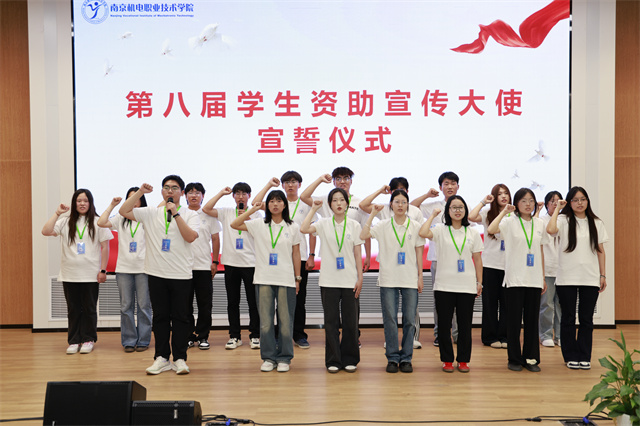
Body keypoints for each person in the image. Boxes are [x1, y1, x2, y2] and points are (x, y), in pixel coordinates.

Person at [120, 175, 200, 375]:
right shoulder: (151, 213)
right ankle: (161, 358)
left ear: (182, 192)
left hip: (181, 274)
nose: (170, 191)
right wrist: (140, 192)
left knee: (181, 318)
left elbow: (190, 237)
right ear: (162, 191)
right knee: (160, 318)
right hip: (156, 274)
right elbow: (124, 211)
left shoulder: (190, 214)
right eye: (166, 187)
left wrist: (176, 214)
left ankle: (180, 358)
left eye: (174, 187)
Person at [231, 190, 301, 373]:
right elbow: (234, 224)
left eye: (279, 201)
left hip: (286, 279)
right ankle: (269, 357)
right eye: (271, 201)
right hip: (263, 278)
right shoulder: (258, 224)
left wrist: (297, 278)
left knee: (285, 321)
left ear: (284, 205)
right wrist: (253, 209)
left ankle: (284, 357)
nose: (275, 204)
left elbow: (296, 253)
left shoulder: (293, 226)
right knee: (266, 322)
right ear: (267, 205)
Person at [202, 180, 274, 350]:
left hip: (251, 263)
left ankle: (255, 335)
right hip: (230, 263)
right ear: (234, 196)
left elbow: (263, 235)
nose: (241, 197)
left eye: (244, 193)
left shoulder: (256, 214)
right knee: (232, 302)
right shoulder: (227, 212)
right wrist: (221, 193)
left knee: (253, 302)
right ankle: (234, 336)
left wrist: (248, 217)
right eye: (238, 193)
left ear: (249, 196)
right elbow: (206, 209)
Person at [42, 189, 113, 355]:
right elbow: (45, 231)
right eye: (79, 201)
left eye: (85, 201)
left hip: (91, 274)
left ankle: (88, 339)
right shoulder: (65, 222)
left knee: (89, 309)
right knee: (73, 309)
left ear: (90, 203)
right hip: (69, 274)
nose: (82, 204)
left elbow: (105, 247)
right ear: (74, 203)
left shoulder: (98, 222)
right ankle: (74, 340)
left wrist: (103, 270)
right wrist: (57, 213)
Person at [361, 190, 425, 373]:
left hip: (410, 278)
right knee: (390, 320)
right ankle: (392, 357)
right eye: (396, 202)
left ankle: (406, 358)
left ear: (408, 205)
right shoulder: (383, 225)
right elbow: (363, 235)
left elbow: (419, 252)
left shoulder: (415, 226)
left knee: (409, 320)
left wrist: (420, 276)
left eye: (403, 202)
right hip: (388, 278)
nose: (400, 205)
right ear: (391, 204)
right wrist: (372, 214)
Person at [301, 188, 364, 373]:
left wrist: (360, 277)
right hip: (328, 281)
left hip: (350, 280)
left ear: (347, 203)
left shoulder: (354, 225)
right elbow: (304, 229)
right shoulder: (323, 223)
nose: (338, 203)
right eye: (334, 200)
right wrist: (314, 209)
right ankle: (333, 360)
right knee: (331, 323)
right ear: (329, 204)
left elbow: (357, 254)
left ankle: (350, 358)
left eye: (342, 200)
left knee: (351, 323)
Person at [419, 195, 483, 373]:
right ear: (448, 211)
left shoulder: (472, 232)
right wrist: (433, 215)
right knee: (444, 325)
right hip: (444, 286)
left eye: (461, 207)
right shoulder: (440, 229)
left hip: (466, 286)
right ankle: (447, 360)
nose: (457, 210)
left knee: (465, 326)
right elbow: (423, 233)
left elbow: (478, 259)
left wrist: (479, 282)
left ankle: (463, 360)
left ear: (465, 210)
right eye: (453, 207)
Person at [546, 187, 608, 370]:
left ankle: (584, 355)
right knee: (568, 318)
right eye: (575, 200)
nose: (579, 203)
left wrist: (602, 274)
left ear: (587, 201)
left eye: (583, 199)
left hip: (590, 277)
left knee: (586, 319)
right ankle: (570, 355)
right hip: (567, 277)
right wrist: (558, 208)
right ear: (569, 202)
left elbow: (600, 251)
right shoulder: (563, 220)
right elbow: (550, 229)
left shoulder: (596, 222)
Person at [488, 188, 548, 372]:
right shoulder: (509, 222)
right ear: (516, 203)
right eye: (523, 201)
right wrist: (504, 212)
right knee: (513, 322)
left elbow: (540, 250)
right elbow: (491, 229)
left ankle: (531, 358)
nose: (528, 204)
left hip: (534, 279)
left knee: (532, 321)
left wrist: (543, 277)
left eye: (531, 200)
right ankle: (514, 358)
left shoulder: (539, 223)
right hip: (514, 279)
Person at [97, 187, 151, 353]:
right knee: (126, 306)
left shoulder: (147, 216)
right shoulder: (121, 218)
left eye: (137, 198)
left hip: (144, 269)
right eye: (130, 198)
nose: (133, 201)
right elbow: (101, 222)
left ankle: (143, 340)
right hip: (124, 269)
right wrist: (112, 205)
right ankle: (129, 340)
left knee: (144, 306)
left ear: (141, 201)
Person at [411, 171, 461, 346]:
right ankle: (440, 333)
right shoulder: (435, 206)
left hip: (459, 261)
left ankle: (457, 334)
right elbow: (412, 207)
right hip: (438, 259)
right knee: (439, 299)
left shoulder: (463, 206)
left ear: (458, 186)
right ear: (441, 187)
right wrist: (427, 195)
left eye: (453, 183)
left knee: (459, 298)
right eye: (446, 183)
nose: (450, 186)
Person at [300, 167, 370, 271]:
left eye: (346, 178)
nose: (342, 181)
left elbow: (365, 230)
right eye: (338, 178)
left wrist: (368, 256)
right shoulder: (326, 200)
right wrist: (320, 179)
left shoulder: (359, 203)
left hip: (351, 254)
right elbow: (304, 197)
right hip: (328, 253)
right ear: (333, 182)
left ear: (351, 181)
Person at [468, 184, 511, 349]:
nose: (503, 196)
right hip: (490, 264)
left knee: (507, 304)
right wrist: (483, 201)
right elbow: (471, 217)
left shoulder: (514, 214)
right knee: (490, 303)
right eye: (499, 194)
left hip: (509, 266)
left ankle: (505, 336)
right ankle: (490, 337)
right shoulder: (488, 213)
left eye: (506, 193)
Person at [280, 171, 317, 349]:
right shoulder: (278, 202)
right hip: (281, 258)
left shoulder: (306, 204)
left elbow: (312, 232)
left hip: (301, 257)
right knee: (281, 299)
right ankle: (281, 334)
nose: (290, 185)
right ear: (282, 185)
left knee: (299, 298)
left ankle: (299, 334)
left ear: (299, 185)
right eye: (287, 182)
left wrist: (311, 255)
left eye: (294, 181)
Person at [184, 182, 221, 350]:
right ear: (185, 196)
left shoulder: (208, 215)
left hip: (204, 266)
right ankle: (188, 335)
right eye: (190, 192)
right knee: (185, 305)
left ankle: (203, 336)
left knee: (205, 304)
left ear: (203, 196)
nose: (194, 195)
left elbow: (215, 239)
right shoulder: (180, 214)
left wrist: (215, 261)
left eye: (197, 192)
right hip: (183, 266)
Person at [538, 191, 563, 348]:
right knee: (547, 304)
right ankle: (545, 334)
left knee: (561, 305)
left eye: (558, 201)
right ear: (547, 204)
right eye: (552, 201)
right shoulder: (541, 220)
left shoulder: (564, 219)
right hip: (547, 268)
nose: (555, 204)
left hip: (563, 270)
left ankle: (559, 335)